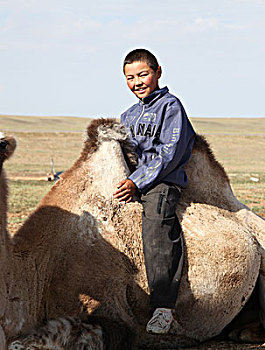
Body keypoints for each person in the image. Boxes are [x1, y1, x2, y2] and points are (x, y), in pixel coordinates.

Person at [113, 48, 195, 334]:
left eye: (143, 74)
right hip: (133, 180)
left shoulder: (171, 107)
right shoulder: (127, 115)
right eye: (129, 77)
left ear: (158, 71)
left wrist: (138, 181)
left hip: (162, 181)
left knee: (157, 222)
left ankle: (163, 307)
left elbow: (169, 152)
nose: (137, 82)